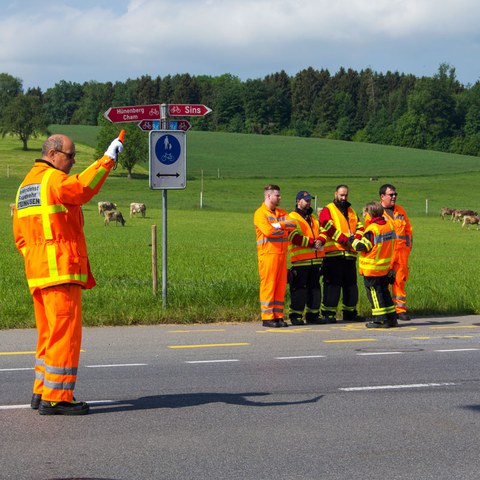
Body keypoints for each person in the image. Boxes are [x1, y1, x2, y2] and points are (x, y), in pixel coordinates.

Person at [12, 132, 124, 415]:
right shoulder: (54, 180)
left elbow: (20, 238)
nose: (73, 161)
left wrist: (36, 260)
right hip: (60, 269)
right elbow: (82, 189)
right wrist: (107, 160)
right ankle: (57, 397)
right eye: (70, 155)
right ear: (52, 155)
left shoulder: (26, 185)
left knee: (48, 335)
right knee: (65, 335)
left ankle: (42, 391)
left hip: (38, 273)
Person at [365, 184, 413, 321]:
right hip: (384, 254)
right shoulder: (375, 212)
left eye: (395, 194)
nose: (394, 197)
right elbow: (370, 234)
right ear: (382, 196)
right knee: (382, 282)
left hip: (401, 254)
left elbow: (408, 231)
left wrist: (407, 248)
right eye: (391, 194)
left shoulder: (400, 211)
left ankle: (400, 310)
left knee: (400, 281)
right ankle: (385, 310)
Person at [319, 184, 365, 323]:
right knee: (332, 285)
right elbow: (327, 226)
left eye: (346, 195)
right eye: (341, 195)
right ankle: (329, 314)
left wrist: (355, 240)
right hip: (334, 254)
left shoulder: (351, 211)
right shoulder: (328, 209)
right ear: (335, 194)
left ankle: (350, 313)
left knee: (351, 286)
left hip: (349, 254)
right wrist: (345, 240)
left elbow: (360, 227)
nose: (344, 198)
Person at [254, 184, 297, 328]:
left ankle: (278, 316)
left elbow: (292, 224)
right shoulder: (260, 213)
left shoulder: (281, 212)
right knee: (269, 286)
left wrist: (278, 225)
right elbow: (269, 231)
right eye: (277, 195)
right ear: (268, 196)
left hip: (281, 255)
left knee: (280, 287)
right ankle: (267, 317)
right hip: (268, 255)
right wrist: (282, 227)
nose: (280, 198)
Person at [351, 202, 397, 328]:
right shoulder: (389, 226)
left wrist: (352, 240)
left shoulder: (372, 230)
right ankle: (392, 318)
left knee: (375, 295)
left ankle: (380, 319)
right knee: (384, 293)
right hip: (384, 267)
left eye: (365, 213)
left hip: (372, 269)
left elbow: (363, 247)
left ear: (370, 214)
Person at [287, 191, 327, 325]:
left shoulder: (313, 218)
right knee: (299, 291)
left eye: (310, 200)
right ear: (298, 201)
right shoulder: (292, 217)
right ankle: (296, 316)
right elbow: (293, 237)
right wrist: (312, 242)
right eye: (306, 200)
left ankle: (313, 315)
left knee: (315, 290)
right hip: (300, 261)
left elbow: (323, 232)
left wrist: (321, 240)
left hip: (316, 261)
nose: (309, 202)